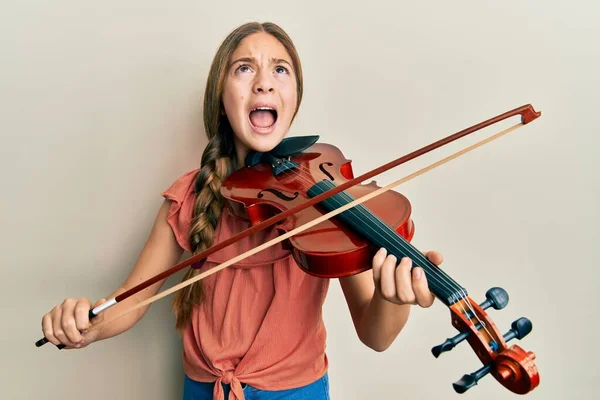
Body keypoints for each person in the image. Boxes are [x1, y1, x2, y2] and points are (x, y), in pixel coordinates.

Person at [40, 21, 444, 400]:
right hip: (203, 391)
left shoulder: (330, 197)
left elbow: (375, 336)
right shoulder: (189, 197)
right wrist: (85, 324)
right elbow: (129, 302)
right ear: (221, 95)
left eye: (281, 70)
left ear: (294, 99)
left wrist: (394, 299)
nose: (265, 82)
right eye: (244, 69)